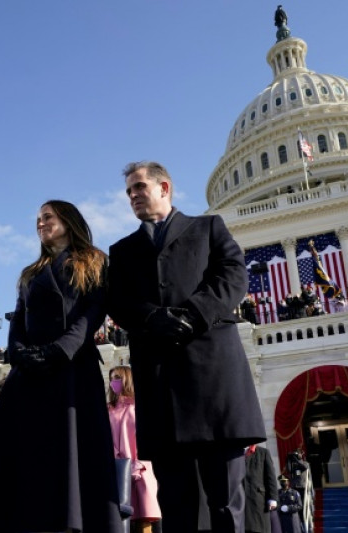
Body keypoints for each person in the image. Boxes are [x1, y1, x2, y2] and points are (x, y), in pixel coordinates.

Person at [108, 161, 266, 533]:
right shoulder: (123, 250)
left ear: (164, 187)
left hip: (214, 383)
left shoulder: (207, 228)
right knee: (177, 505)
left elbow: (233, 276)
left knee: (226, 501)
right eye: (129, 191)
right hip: (162, 388)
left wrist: (193, 314)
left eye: (139, 187)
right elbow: (118, 302)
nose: (133, 196)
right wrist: (153, 319)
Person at [0, 200, 121, 533]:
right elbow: (17, 318)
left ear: (69, 220)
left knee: (72, 459)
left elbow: (92, 313)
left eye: (47, 217)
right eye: (37, 219)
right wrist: (19, 353)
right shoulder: (30, 273)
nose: (40, 223)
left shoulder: (95, 261)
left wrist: (59, 350)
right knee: (23, 463)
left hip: (71, 371)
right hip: (29, 376)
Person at [108, 365, 161, 531]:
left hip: (141, 470)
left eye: (117, 378)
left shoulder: (138, 409)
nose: (113, 383)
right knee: (120, 520)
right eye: (111, 379)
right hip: (116, 470)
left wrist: (138, 465)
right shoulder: (108, 410)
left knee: (144, 519)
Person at [243, 444, 278, 533]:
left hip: (258, 499)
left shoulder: (263, 452)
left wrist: (273, 498)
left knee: (259, 527)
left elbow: (271, 476)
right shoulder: (236, 452)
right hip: (241, 498)